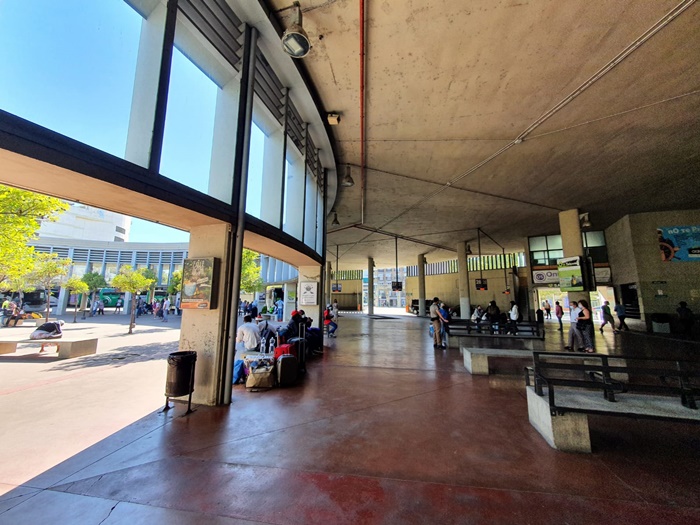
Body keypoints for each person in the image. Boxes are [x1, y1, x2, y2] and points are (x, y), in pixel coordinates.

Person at [233, 315, 261, 384]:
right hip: (258, 346)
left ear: (244, 320)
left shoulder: (241, 327)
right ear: (251, 320)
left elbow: (238, 340)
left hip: (248, 347)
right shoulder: (255, 325)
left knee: (240, 349)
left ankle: (242, 374)